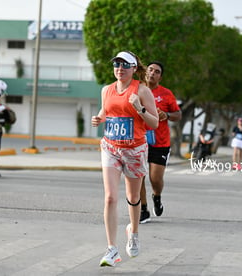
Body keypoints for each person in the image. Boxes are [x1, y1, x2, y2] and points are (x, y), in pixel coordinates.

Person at [91, 51, 158, 267]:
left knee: (133, 196)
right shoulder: (106, 90)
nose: (119, 68)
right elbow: (106, 110)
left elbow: (154, 123)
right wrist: (99, 118)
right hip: (110, 147)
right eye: (116, 64)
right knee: (110, 197)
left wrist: (139, 108)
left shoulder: (142, 90)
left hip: (135, 150)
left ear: (133, 68)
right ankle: (112, 249)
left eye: (125, 65)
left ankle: (133, 232)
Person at [139, 61, 181, 224]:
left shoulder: (166, 94)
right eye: (150, 70)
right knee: (140, 176)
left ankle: (156, 197)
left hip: (160, 143)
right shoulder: (138, 89)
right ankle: (143, 209)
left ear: (160, 77)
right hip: (140, 139)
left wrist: (167, 115)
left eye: (157, 72)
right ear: (145, 72)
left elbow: (178, 114)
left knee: (155, 179)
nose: (152, 73)